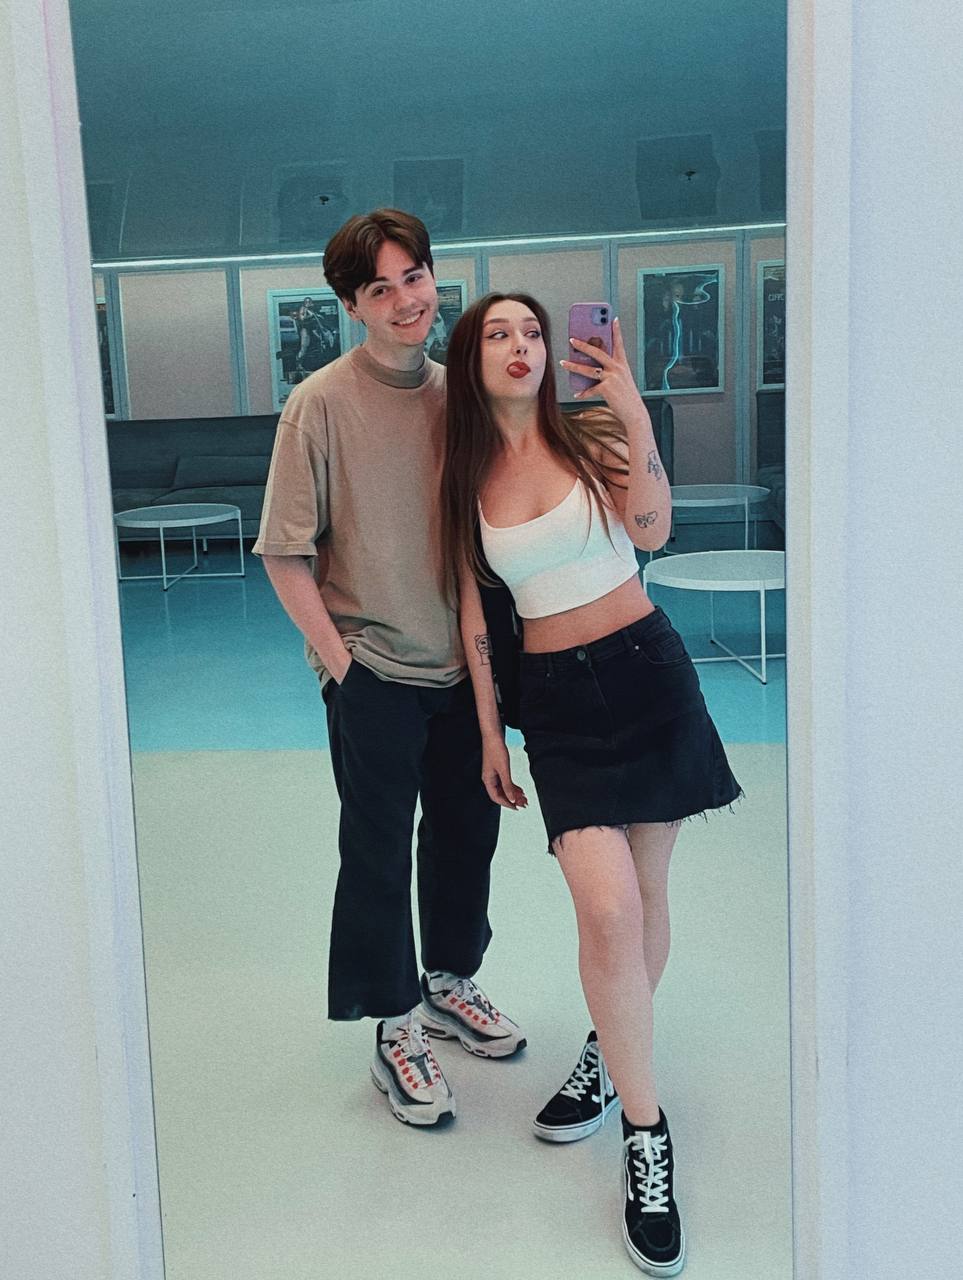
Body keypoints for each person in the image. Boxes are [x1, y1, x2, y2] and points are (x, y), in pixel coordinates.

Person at [441, 292, 742, 1275]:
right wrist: (490, 730)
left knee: (643, 898)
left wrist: (635, 414)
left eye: (533, 332)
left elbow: (650, 528)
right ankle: (643, 1115)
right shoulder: (463, 474)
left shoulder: (589, 435)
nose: (522, 346)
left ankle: (623, 1097)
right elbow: (475, 615)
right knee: (607, 909)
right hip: (557, 705)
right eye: (499, 334)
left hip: (647, 671)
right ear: (472, 359)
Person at [253, 211, 525, 1131]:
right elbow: (284, 554)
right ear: (352, 305)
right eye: (381, 288)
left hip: (460, 668)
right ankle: (394, 1025)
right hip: (371, 666)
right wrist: (345, 671)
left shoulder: (460, 395)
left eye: (415, 277)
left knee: (466, 834)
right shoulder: (320, 404)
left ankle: (447, 983)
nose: (406, 300)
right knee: (375, 851)